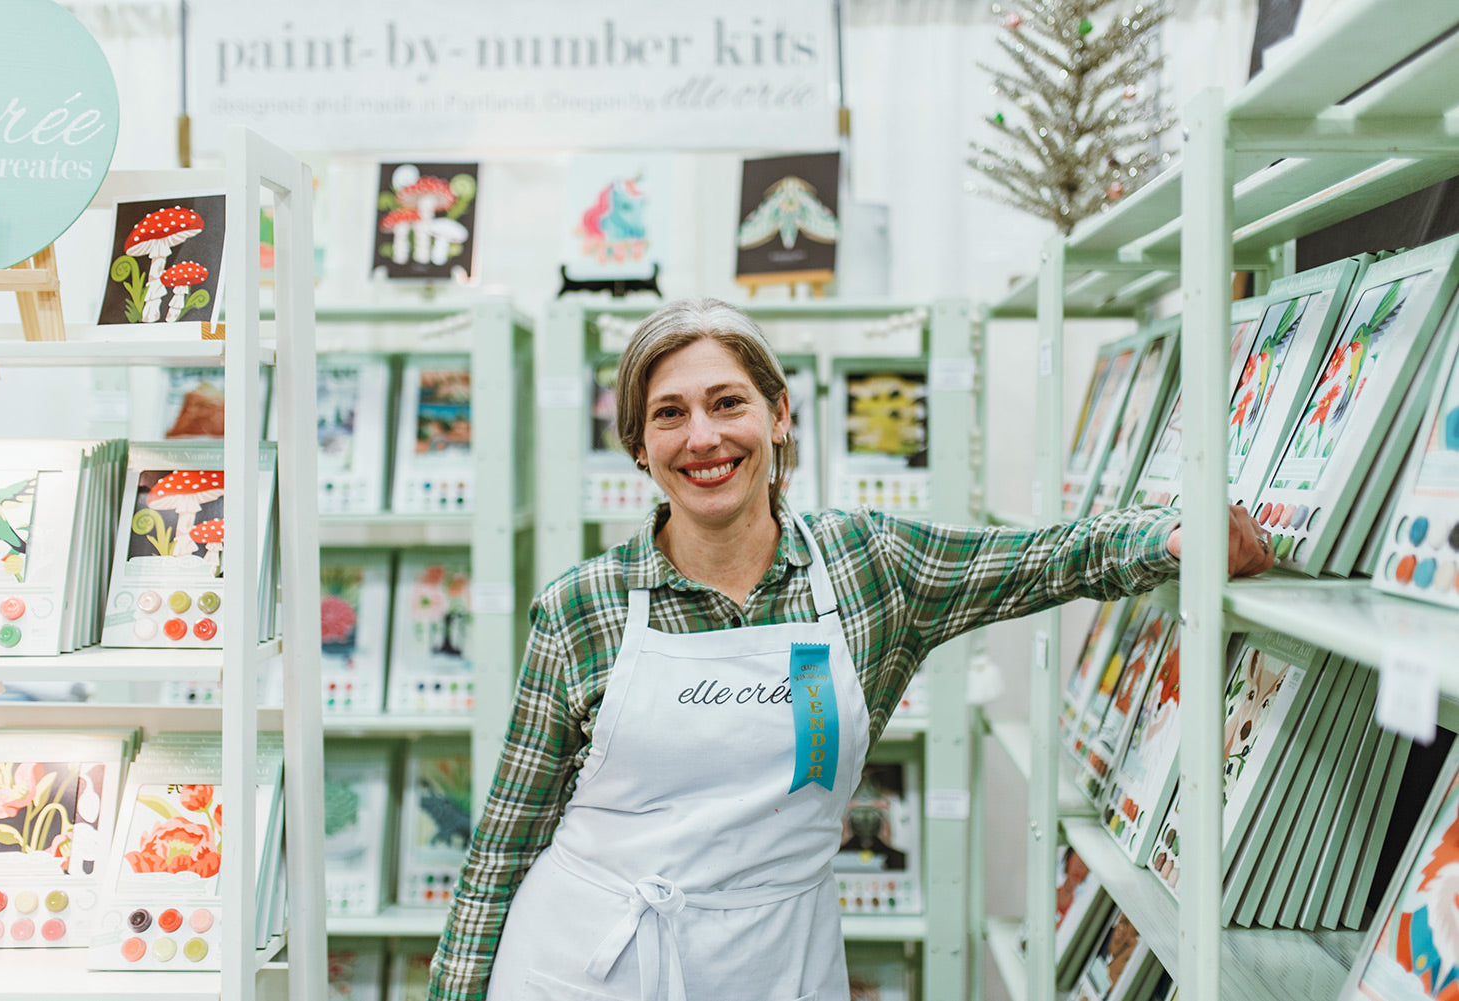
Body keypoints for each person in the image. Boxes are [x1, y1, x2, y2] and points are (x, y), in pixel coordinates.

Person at [428, 297, 1275, 1001]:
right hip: (586, 965)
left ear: (779, 414)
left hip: (776, 967)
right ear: (640, 448)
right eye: (669, 414)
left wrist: (1170, 536)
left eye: (728, 402)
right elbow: (503, 843)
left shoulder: (868, 568)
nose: (703, 437)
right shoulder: (586, 605)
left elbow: (1043, 558)